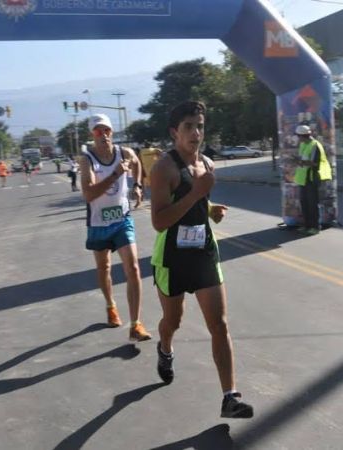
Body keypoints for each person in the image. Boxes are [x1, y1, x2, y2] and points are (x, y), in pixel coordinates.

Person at [149, 101, 253, 418]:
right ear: (174, 133)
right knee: (173, 322)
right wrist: (196, 194)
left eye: (200, 126)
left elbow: (197, 204)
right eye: (189, 127)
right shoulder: (163, 169)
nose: (196, 133)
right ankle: (165, 349)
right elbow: (159, 221)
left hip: (204, 252)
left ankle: (229, 397)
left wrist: (210, 209)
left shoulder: (207, 163)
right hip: (172, 257)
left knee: (219, 324)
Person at [80, 113, 151, 342]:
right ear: (92, 135)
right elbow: (89, 194)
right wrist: (116, 175)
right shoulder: (87, 159)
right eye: (98, 131)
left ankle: (136, 324)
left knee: (134, 268)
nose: (103, 135)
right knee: (105, 268)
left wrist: (138, 185)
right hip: (99, 223)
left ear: (112, 132)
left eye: (106, 130)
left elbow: (137, 162)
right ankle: (111, 306)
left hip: (122, 219)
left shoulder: (125, 153)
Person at [293, 124, 332, 235]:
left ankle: (315, 227)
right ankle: (306, 226)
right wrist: (297, 160)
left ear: (303, 136)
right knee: (304, 202)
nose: (298, 138)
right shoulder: (303, 145)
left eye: (298, 136)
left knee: (312, 203)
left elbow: (315, 163)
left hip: (312, 178)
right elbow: (303, 159)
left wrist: (300, 162)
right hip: (303, 179)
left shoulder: (315, 145)